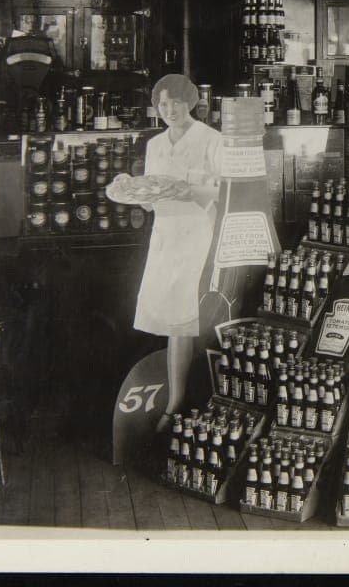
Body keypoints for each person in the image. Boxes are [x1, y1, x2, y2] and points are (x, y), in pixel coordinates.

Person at [133, 75, 221, 431]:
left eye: (177, 103)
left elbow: (222, 188)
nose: (170, 110)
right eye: (163, 104)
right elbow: (152, 196)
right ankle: (178, 401)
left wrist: (190, 193)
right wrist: (142, 197)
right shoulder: (154, 145)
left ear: (191, 103)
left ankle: (180, 404)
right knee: (173, 321)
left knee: (188, 320)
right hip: (166, 238)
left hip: (199, 236)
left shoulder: (210, 139)